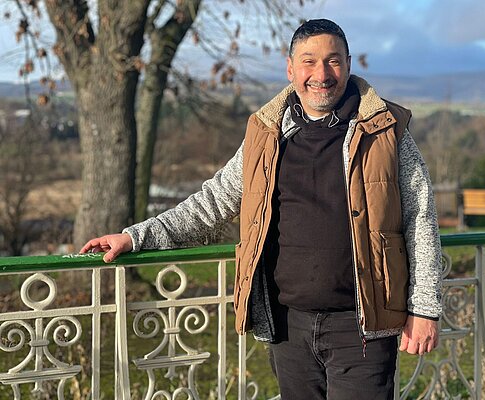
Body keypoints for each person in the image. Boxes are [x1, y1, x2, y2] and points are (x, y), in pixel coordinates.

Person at [81, 19, 443, 400]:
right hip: (288, 326)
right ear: (290, 69)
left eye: (333, 61)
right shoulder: (266, 133)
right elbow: (214, 201)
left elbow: (421, 219)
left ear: (349, 64)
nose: (321, 74)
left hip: (363, 327)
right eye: (309, 61)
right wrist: (136, 236)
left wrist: (425, 309)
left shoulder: (386, 129)